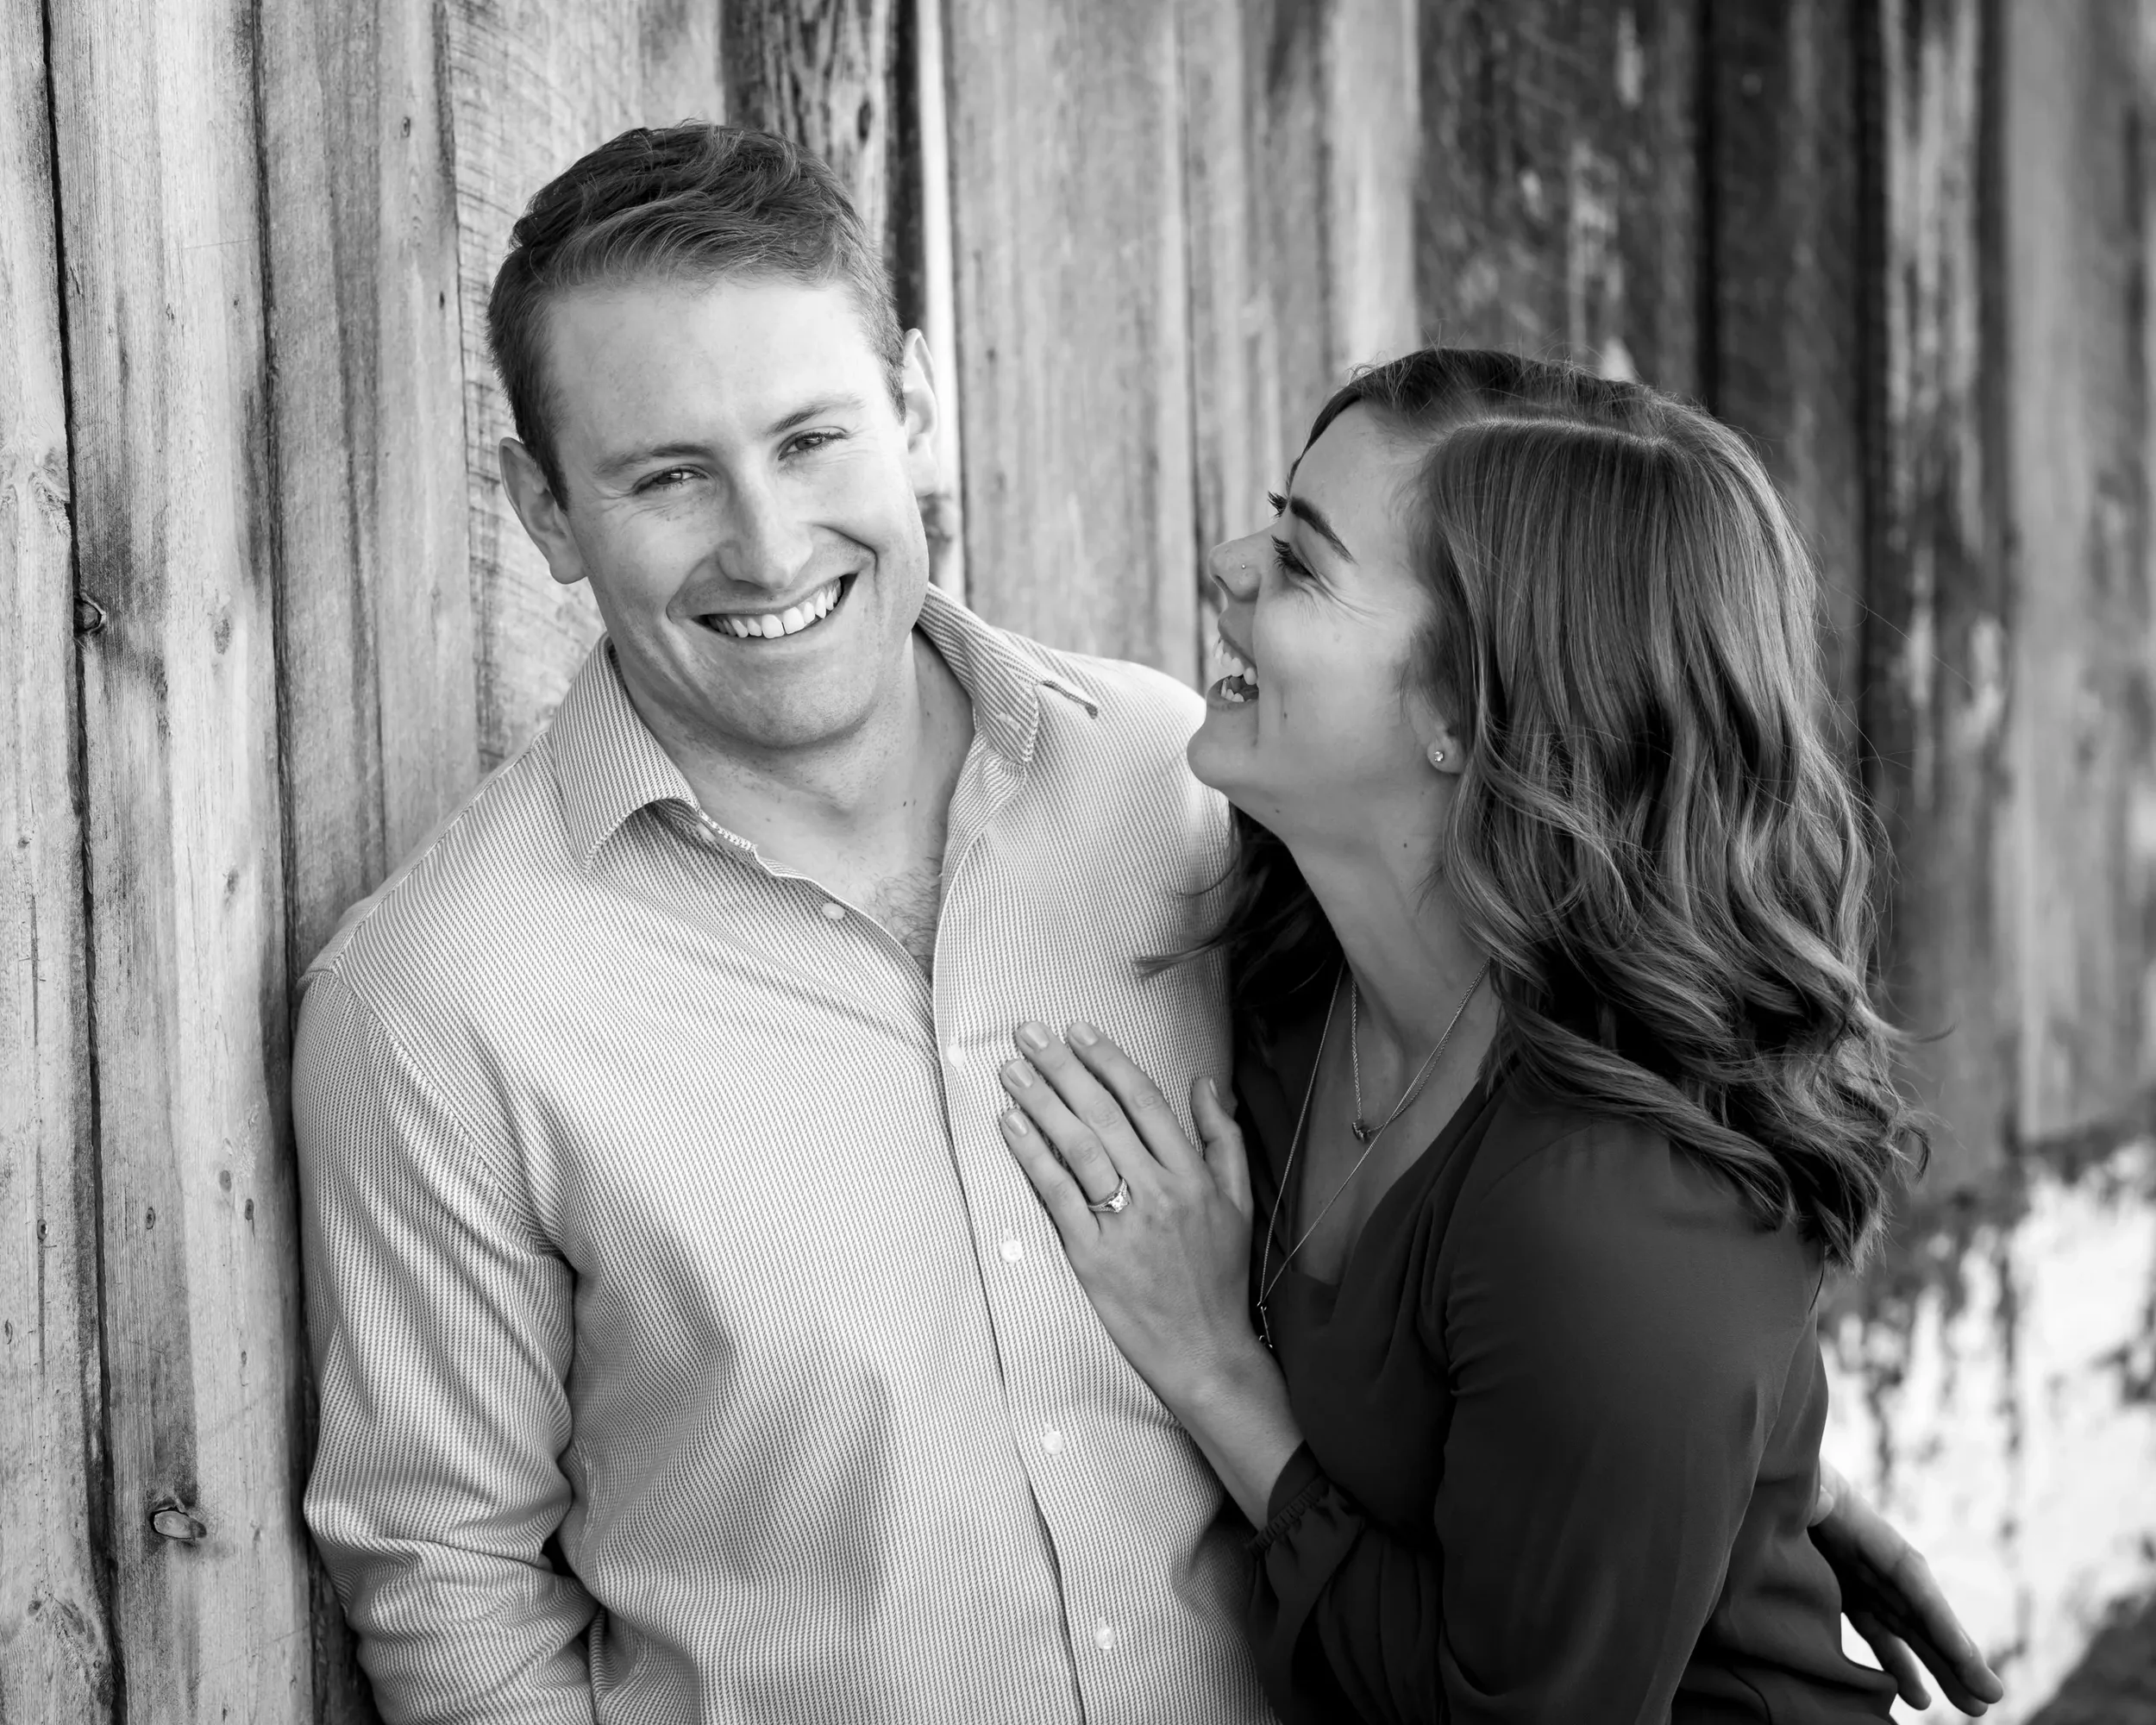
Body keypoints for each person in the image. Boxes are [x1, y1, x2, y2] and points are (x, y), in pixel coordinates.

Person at [291, 126, 1997, 1724]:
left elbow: (1547, 1160)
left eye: (810, 439)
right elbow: (446, 1590)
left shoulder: (1161, 783)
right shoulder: (443, 997)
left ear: (917, 409)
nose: (763, 540)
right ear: (540, 514)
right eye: (665, 473)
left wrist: (1740, 1474)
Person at [993, 348, 2009, 1722]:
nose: (1229, 564)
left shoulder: (1618, 1205)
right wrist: (1750, 1477)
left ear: (1469, 716)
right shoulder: (1295, 960)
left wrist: (1212, 1369)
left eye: (1302, 563)